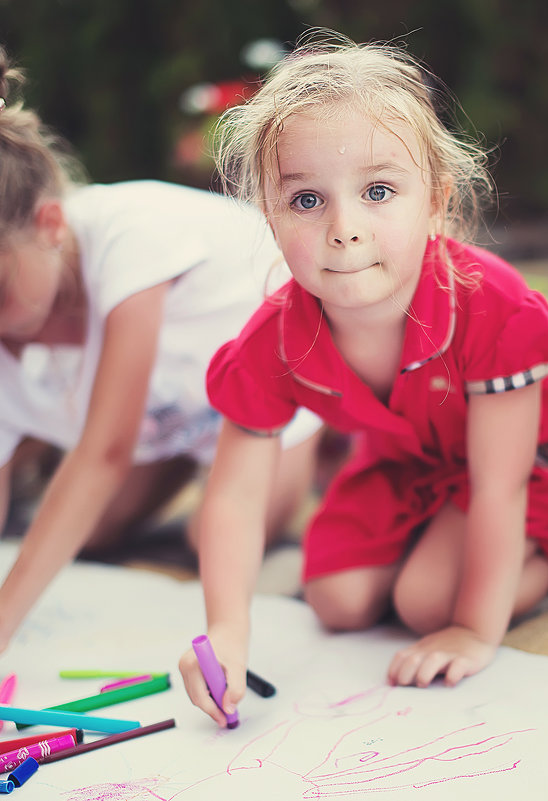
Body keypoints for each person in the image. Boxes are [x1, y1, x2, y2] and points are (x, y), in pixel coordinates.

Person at [179, 30, 548, 726]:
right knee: (336, 599)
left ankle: (539, 566)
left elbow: (500, 485)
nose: (343, 228)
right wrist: (227, 634)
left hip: (529, 468)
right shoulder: (274, 337)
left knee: (425, 602)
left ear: (436, 201)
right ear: (267, 215)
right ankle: (437, 553)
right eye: (305, 201)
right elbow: (235, 496)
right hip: (411, 463)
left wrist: (475, 630)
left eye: (378, 190)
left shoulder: (491, 307)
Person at [0, 47, 323, 654]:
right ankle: (186, 460)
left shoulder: (130, 237)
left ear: (49, 224)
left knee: (211, 539)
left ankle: (329, 443)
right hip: (173, 424)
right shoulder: (18, 310)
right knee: (86, 531)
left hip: (268, 409)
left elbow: (105, 451)